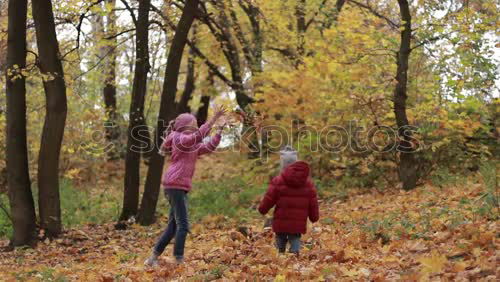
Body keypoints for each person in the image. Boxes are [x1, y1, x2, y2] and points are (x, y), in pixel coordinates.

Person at [144, 107, 226, 267]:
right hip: (175, 184)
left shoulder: (190, 144)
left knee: (173, 226)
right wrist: (213, 119)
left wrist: (219, 132)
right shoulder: (178, 138)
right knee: (183, 225)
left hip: (177, 186)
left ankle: (152, 258)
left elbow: (207, 147)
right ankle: (179, 259)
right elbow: (198, 136)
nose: (196, 126)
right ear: (184, 126)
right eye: (194, 123)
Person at [258, 161, 319, 254]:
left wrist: (262, 209)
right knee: (295, 239)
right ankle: (294, 256)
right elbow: (313, 203)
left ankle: (280, 256)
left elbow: (269, 198)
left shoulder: (278, 180)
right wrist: (314, 217)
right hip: (298, 223)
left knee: (280, 239)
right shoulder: (309, 185)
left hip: (281, 220)